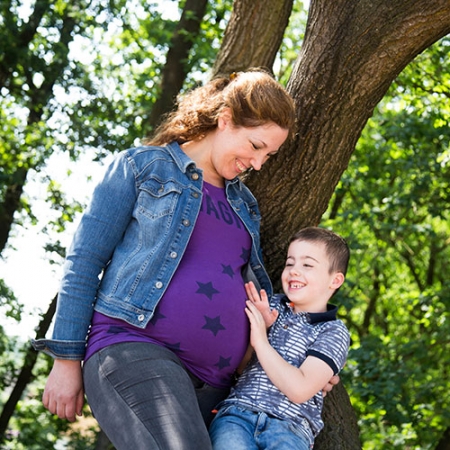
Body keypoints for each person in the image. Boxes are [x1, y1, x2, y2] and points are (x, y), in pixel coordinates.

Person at [31, 68, 299, 450]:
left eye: (268, 155)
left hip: (220, 389)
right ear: (225, 120)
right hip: (132, 347)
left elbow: (259, 297)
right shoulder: (142, 167)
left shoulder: (246, 206)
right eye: (255, 146)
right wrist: (66, 358)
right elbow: (85, 262)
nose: (258, 164)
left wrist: (307, 360)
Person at [209, 226, 351, 450]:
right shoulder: (271, 306)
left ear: (335, 280)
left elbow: (299, 389)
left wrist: (262, 342)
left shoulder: (332, 331)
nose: (294, 270)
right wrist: (261, 330)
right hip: (238, 414)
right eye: (290, 263)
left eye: (307, 265)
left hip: (290, 428)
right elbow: (241, 368)